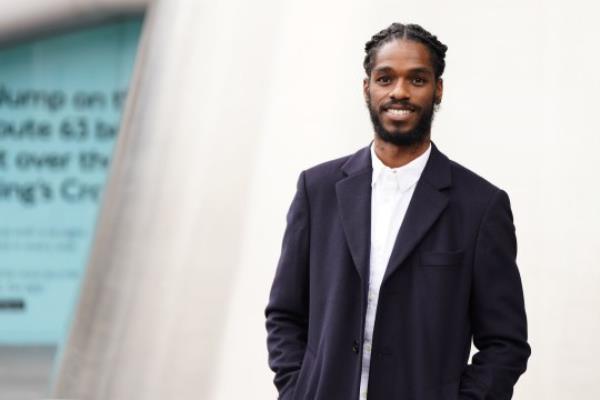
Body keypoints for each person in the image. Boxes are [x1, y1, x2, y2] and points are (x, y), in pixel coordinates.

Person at [265, 22, 530, 400]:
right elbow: (284, 314)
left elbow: (505, 344)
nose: (400, 92)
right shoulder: (316, 189)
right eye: (385, 78)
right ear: (367, 88)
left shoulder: (481, 206)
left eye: (417, 80)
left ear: (438, 89)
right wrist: (298, 390)